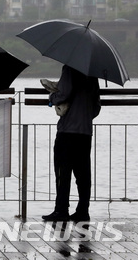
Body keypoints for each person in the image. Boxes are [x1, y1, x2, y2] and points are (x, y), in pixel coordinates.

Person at [41, 65, 101, 223]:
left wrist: (51, 99)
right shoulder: (92, 73)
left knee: (62, 173)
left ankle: (61, 210)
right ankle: (83, 210)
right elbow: (96, 106)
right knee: (83, 174)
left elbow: (64, 93)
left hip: (67, 131)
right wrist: (84, 118)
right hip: (85, 132)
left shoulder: (69, 68)